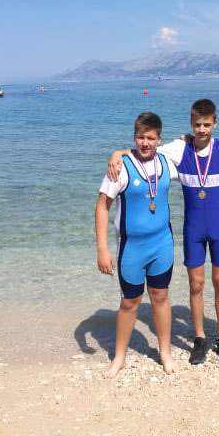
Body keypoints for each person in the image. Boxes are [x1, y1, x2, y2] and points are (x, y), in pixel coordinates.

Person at [108, 99, 219, 366]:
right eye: (197, 124)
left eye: (206, 124)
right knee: (196, 284)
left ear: (215, 124)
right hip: (193, 230)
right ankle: (200, 337)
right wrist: (117, 153)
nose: (201, 129)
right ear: (191, 123)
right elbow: (146, 150)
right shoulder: (180, 149)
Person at [96, 111, 179, 378]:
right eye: (141, 137)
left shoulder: (167, 162)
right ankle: (119, 357)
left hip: (162, 244)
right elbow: (102, 208)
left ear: (159, 139)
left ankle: (164, 352)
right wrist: (102, 249)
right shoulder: (119, 167)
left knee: (160, 297)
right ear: (134, 137)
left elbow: (200, 153)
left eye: (151, 138)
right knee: (130, 302)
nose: (145, 143)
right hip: (132, 248)